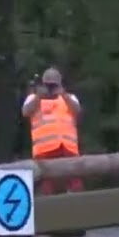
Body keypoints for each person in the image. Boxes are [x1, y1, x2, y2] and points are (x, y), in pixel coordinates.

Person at [22, 67, 84, 195]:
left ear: (60, 84)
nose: (50, 89)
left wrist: (63, 95)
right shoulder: (33, 98)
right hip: (44, 151)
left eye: (54, 85)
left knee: (75, 186)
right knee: (47, 188)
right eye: (48, 85)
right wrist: (39, 96)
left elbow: (77, 110)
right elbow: (25, 112)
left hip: (68, 148)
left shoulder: (69, 97)